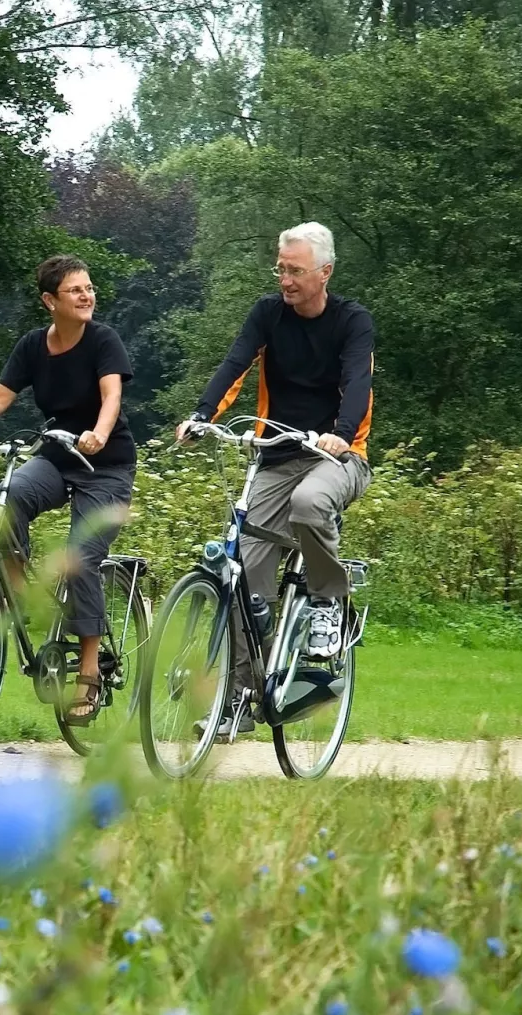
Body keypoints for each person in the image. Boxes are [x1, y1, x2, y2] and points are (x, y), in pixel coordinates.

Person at [176, 222, 374, 737]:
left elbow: (358, 383)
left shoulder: (353, 322)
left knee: (310, 505)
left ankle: (329, 598)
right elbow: (235, 364)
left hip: (337, 458)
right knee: (246, 579)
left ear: (324, 272)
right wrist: (202, 415)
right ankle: (239, 701)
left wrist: (341, 435)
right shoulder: (267, 314)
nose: (284, 279)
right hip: (275, 457)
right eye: (280, 269)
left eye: (295, 270)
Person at [0, 254, 136, 725]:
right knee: (7, 500)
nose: (87, 296)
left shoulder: (102, 341)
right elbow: (0, 396)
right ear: (50, 301)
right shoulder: (33, 346)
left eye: (89, 288)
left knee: (80, 558)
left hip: (105, 466)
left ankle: (88, 674)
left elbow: (111, 397)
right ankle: (18, 593)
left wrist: (99, 434)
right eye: (75, 290)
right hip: (56, 456)